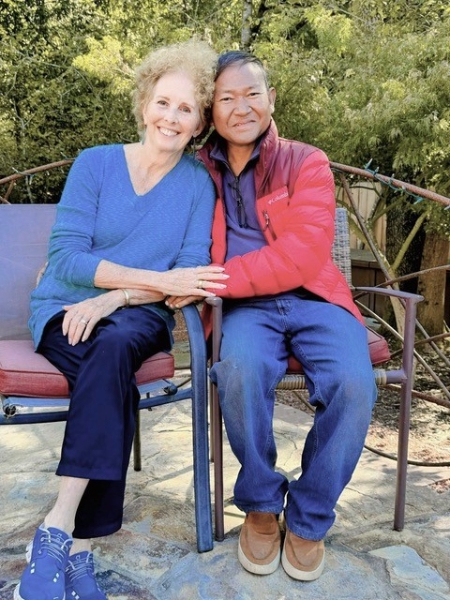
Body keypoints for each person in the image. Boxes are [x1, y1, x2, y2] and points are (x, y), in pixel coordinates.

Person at [14, 40, 227, 600]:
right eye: (164, 103)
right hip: (64, 308)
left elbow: (187, 277)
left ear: (200, 121)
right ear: (143, 104)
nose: (171, 117)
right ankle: (80, 550)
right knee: (113, 378)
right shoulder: (96, 163)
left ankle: (57, 525)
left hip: (138, 317)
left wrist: (113, 298)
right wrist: (137, 287)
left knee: (113, 351)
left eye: (186, 109)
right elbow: (66, 258)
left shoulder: (196, 186)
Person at [196, 51, 377, 581]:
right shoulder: (198, 170)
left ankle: (310, 516)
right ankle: (259, 503)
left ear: (271, 99)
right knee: (238, 369)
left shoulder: (306, 161)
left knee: (353, 382)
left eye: (252, 93)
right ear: (212, 110)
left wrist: (214, 280)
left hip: (314, 298)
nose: (241, 106)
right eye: (227, 97)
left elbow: (302, 254)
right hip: (244, 310)